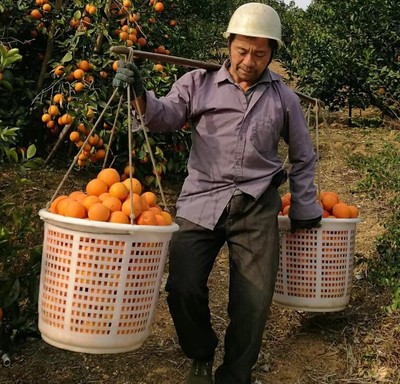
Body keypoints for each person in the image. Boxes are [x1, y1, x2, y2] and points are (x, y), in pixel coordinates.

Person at [113, 2, 322, 383]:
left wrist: (305, 207)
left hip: (257, 204)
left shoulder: (284, 99)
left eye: (260, 53)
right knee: (182, 286)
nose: (249, 61)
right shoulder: (197, 84)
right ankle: (201, 351)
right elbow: (162, 116)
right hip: (201, 200)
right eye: (242, 50)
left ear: (272, 54)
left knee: (253, 302)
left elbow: (304, 156)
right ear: (228, 44)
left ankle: (235, 374)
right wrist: (140, 93)